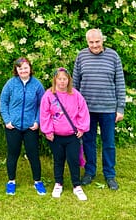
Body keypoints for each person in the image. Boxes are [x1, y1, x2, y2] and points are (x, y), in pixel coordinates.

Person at [73, 28, 126, 190]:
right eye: (91, 42)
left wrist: (120, 108)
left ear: (102, 40)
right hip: (86, 110)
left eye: (97, 41)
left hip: (109, 109)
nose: (94, 45)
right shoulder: (81, 56)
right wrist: (75, 109)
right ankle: (90, 172)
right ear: (87, 41)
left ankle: (110, 175)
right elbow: (75, 84)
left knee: (108, 143)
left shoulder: (113, 56)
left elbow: (120, 83)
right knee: (88, 142)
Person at [40, 67, 90, 201]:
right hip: (56, 136)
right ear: (55, 80)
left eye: (65, 79)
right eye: (59, 79)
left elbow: (83, 111)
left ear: (69, 80)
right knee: (58, 160)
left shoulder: (75, 94)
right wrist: (47, 130)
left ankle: (76, 185)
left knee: (73, 160)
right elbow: (45, 114)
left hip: (72, 135)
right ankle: (58, 183)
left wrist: (81, 128)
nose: (62, 82)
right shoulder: (49, 95)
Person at [0, 57, 46, 196]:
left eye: (25, 67)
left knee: (33, 154)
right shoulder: (10, 84)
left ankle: (37, 181)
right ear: (16, 70)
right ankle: (11, 181)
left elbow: (42, 105)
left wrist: (37, 121)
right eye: (20, 68)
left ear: (30, 69)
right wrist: (7, 120)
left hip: (30, 127)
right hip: (13, 126)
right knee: (13, 154)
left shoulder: (37, 85)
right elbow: (3, 102)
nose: (23, 70)